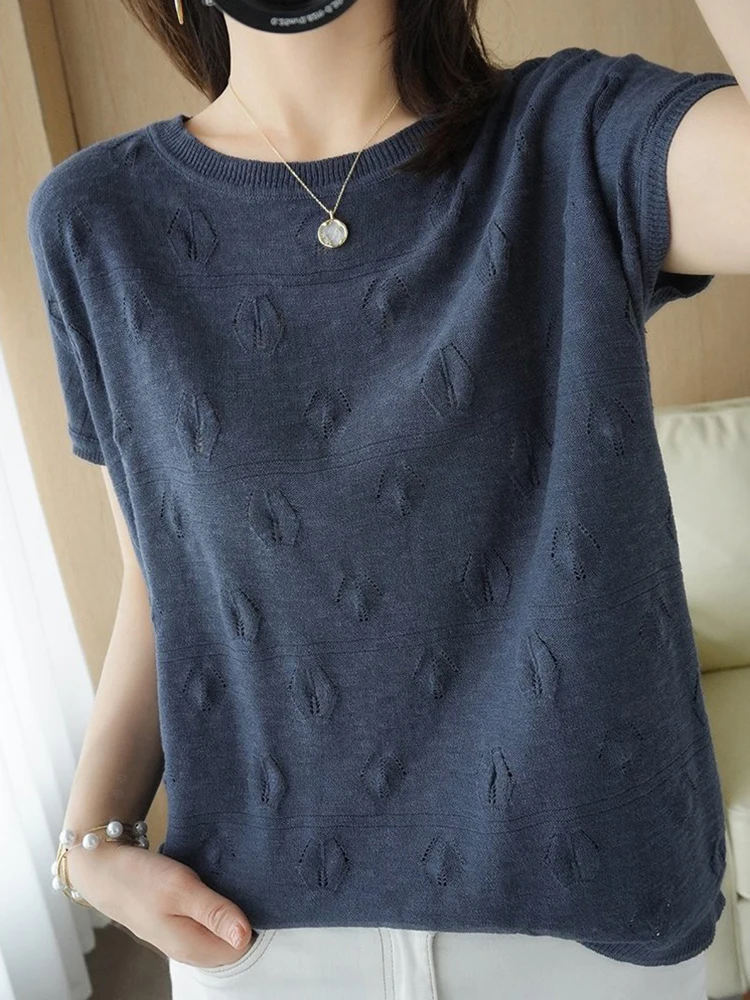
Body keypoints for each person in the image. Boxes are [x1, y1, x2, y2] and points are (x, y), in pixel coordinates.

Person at [26, 0, 746, 997]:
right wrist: (88, 843)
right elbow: (160, 585)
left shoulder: (572, 136)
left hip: (592, 937)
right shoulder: (95, 220)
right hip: (263, 942)